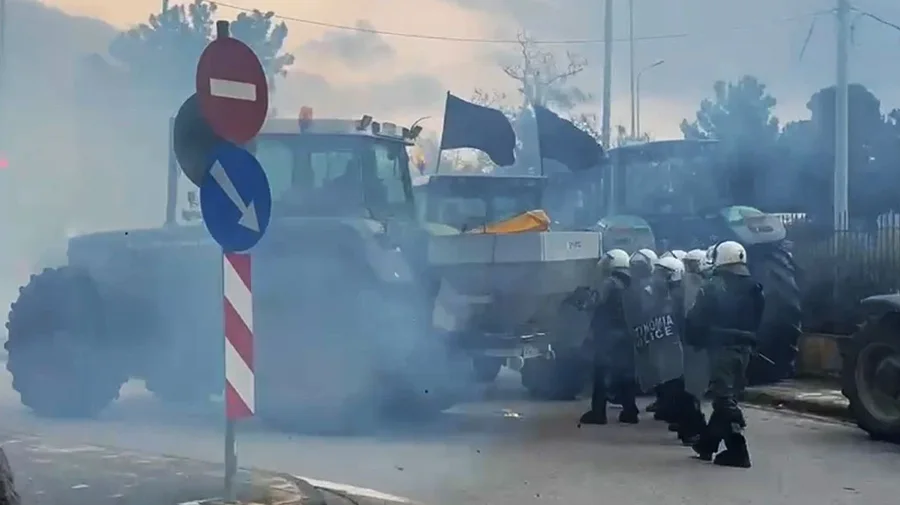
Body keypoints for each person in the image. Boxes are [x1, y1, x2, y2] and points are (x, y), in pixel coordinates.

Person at [686, 241, 764, 468]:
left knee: (723, 399)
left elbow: (695, 318)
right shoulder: (755, 287)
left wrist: (695, 340)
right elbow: (759, 318)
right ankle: (707, 445)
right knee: (727, 394)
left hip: (721, 348)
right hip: (745, 349)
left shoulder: (712, 286)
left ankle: (738, 451)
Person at [577, 249, 640, 426]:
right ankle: (630, 410)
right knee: (626, 374)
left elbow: (592, 303)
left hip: (608, 335)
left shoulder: (609, 283)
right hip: (628, 334)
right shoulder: (634, 283)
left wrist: (581, 300)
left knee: (601, 372)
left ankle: (598, 412)